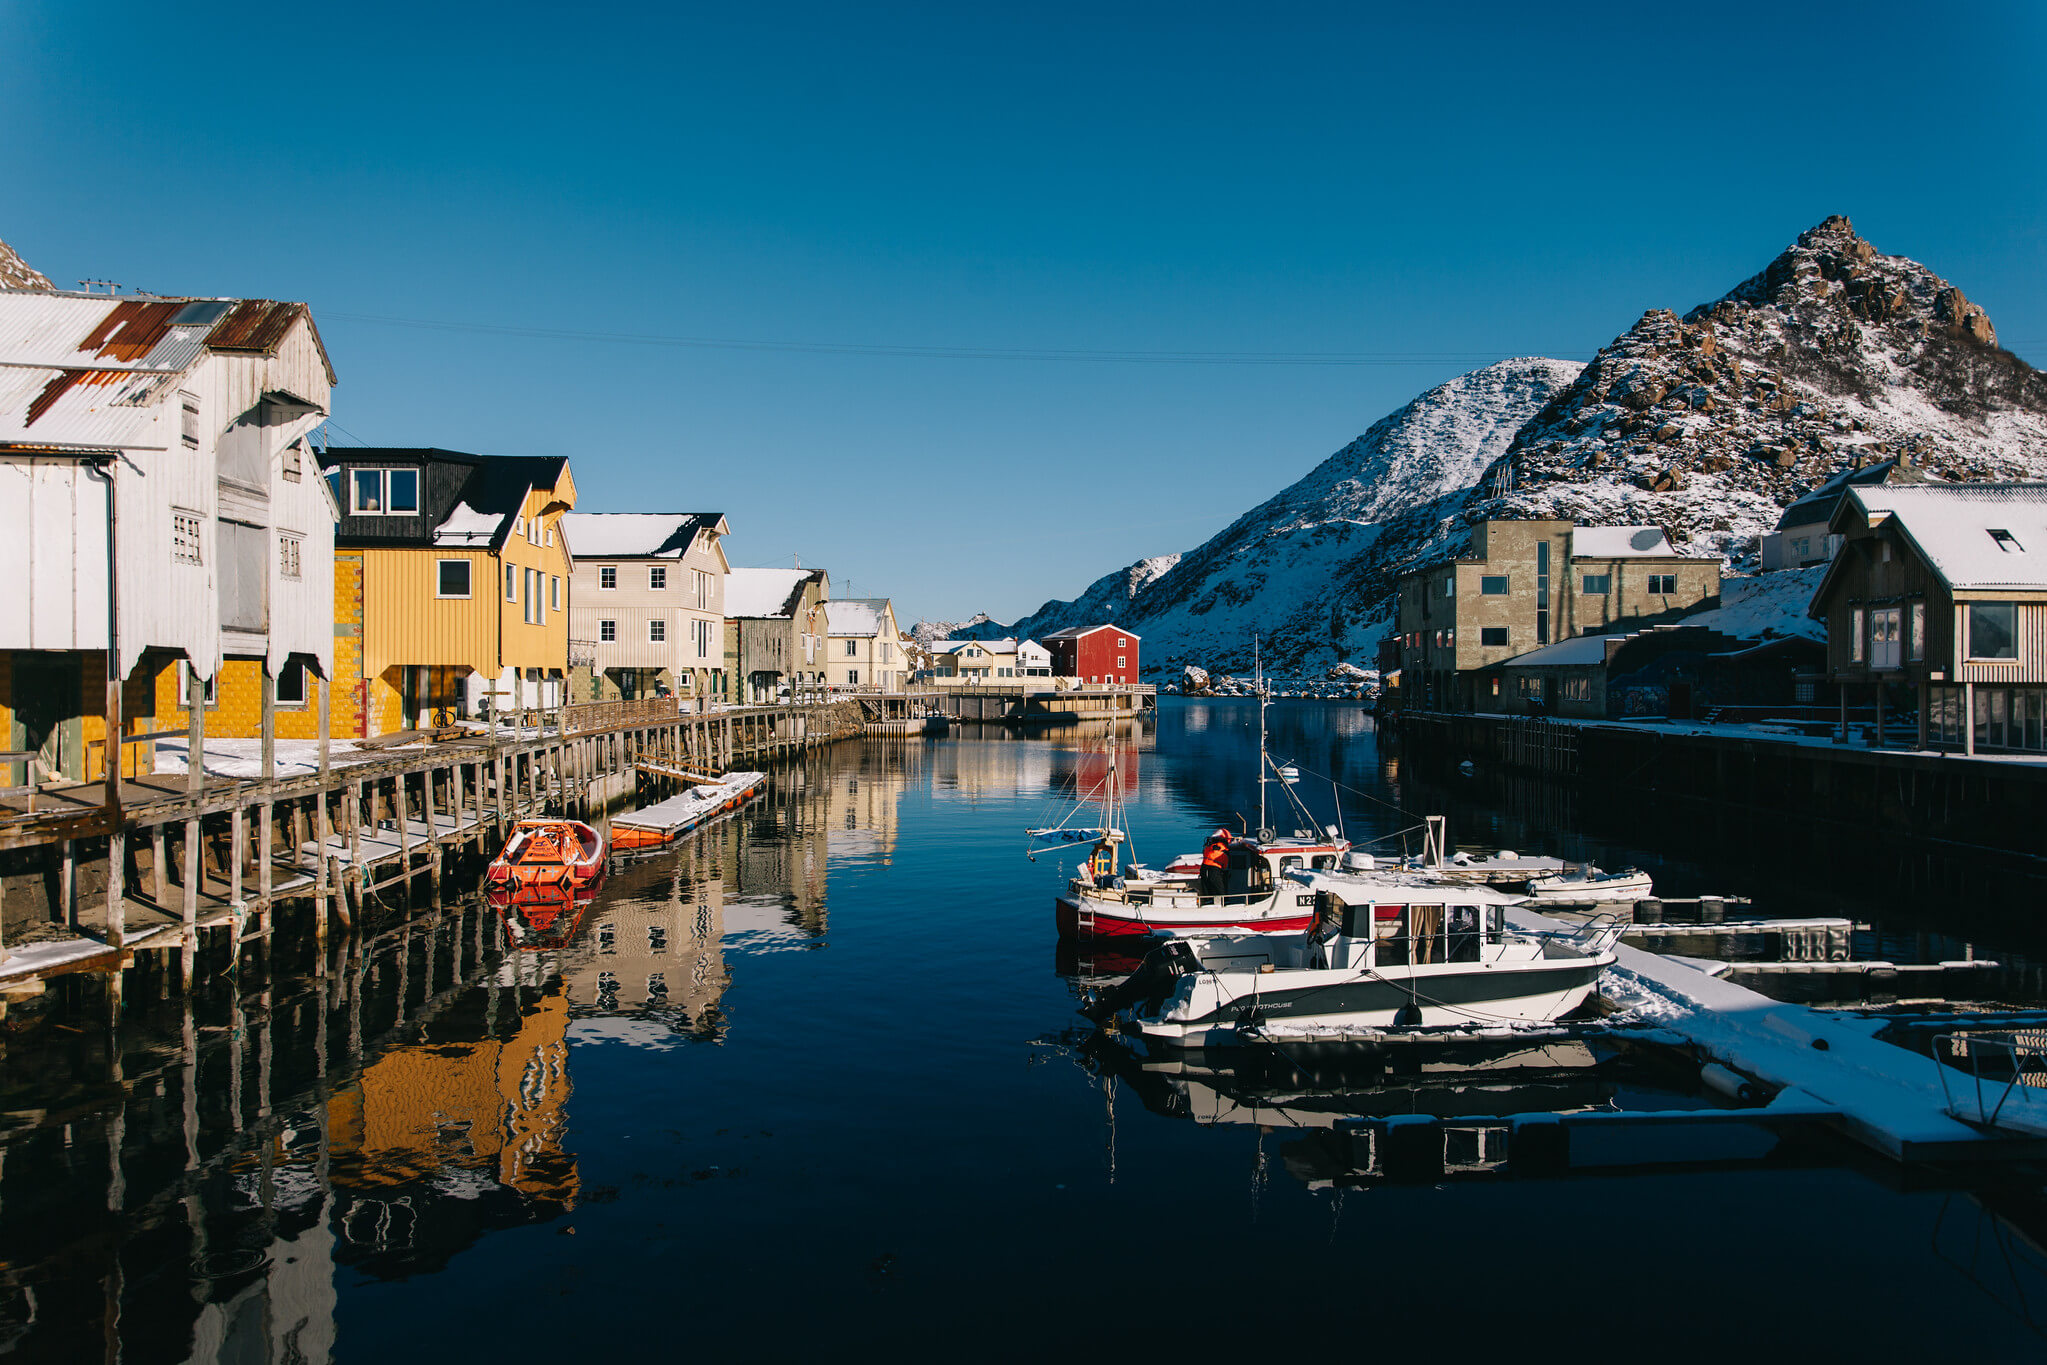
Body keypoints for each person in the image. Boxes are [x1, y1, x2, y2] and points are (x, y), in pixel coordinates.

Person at [1200, 829, 1231, 899]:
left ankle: (1208, 901)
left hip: (1204, 868)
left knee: (1207, 887)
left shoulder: (1209, 848)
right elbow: (1226, 865)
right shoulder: (1223, 849)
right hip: (1215, 870)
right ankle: (1224, 902)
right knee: (1219, 888)